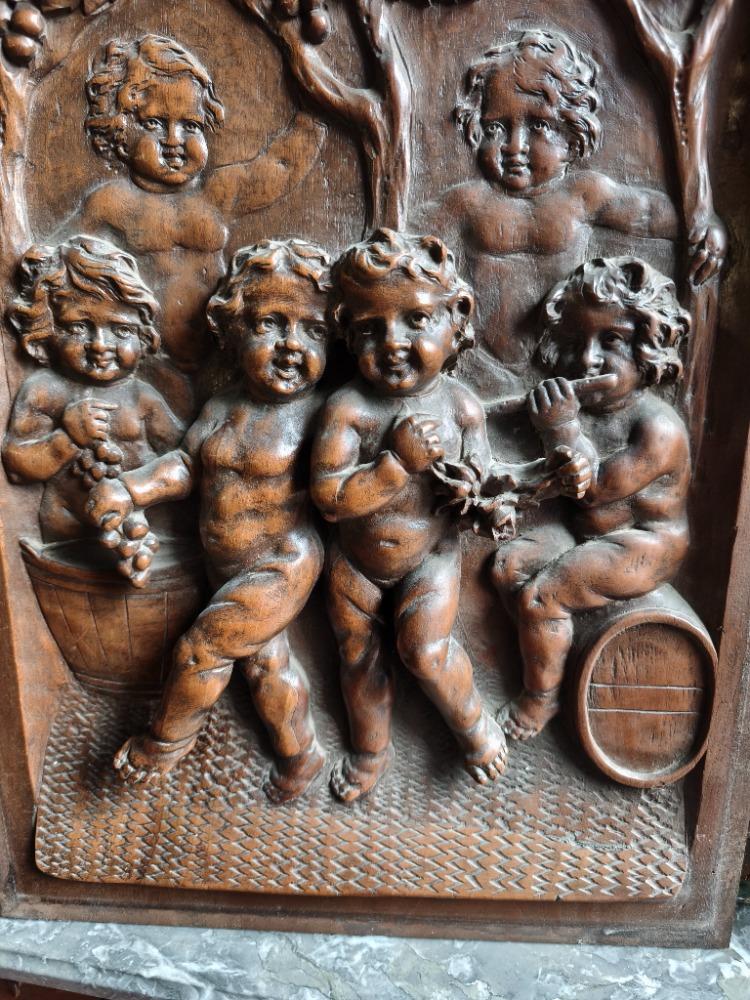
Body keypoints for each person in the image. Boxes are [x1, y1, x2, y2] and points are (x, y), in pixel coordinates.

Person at [86, 239, 332, 802]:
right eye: (270, 324)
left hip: (282, 563)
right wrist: (130, 488)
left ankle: (165, 741)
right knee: (266, 667)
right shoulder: (224, 407)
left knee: (202, 650)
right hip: (226, 565)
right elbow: (186, 466)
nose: (291, 345)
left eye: (313, 330)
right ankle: (302, 753)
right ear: (234, 331)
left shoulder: (320, 416)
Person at [311, 228, 515, 802]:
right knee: (358, 659)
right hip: (356, 564)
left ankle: (473, 724)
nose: (393, 342)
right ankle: (370, 749)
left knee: (425, 651)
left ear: (456, 318)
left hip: (430, 558)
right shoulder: (348, 410)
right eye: (369, 329)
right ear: (348, 333)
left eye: (417, 320)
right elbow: (329, 499)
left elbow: (481, 477)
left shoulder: (460, 406)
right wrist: (395, 465)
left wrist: (486, 501)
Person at [424, 29, 722, 377]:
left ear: (572, 132)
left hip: (570, 368)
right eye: (495, 128)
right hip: (480, 367)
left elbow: (653, 214)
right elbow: (406, 235)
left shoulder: (583, 194)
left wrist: (707, 227)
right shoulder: (466, 202)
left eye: (539, 125)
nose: (514, 146)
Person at [491, 256, 691, 740]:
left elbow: (594, 491)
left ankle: (541, 699)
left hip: (645, 544)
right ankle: (556, 646)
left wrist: (560, 427)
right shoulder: (590, 403)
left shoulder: (658, 429)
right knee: (507, 566)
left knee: (542, 596)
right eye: (576, 341)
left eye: (612, 341)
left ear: (648, 349)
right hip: (587, 537)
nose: (587, 360)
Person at [79, 34, 324, 401]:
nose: (174, 139)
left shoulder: (217, 192)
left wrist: (314, 112)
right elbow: (74, 267)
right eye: (154, 123)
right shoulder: (110, 203)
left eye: (190, 125)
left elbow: (281, 166)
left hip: (222, 356)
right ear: (119, 130)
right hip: (145, 359)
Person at [2, 235, 183, 564]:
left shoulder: (142, 398)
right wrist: (67, 439)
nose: (100, 345)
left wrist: (138, 489)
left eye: (121, 330)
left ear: (143, 335)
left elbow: (185, 457)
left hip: (141, 528)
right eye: (78, 327)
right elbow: (17, 467)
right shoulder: (44, 390)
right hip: (67, 542)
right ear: (47, 329)